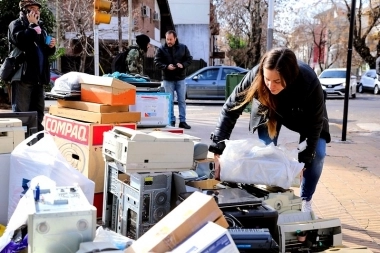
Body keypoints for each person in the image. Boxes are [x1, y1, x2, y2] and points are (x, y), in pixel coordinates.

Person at [208, 47, 331, 212]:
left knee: (318, 154)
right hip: (270, 110)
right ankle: (270, 198)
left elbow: (315, 125)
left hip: (305, 116)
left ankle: (305, 199)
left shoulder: (309, 82)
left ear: (289, 77)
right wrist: (218, 146)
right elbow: (231, 108)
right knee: (267, 152)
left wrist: (305, 160)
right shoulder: (255, 76)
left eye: (277, 81)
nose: (271, 86)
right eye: (267, 79)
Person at [8, 0, 56, 132]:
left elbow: (45, 52)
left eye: (37, 9)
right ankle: (21, 143)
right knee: (21, 114)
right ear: (24, 11)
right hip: (23, 76)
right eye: (32, 9)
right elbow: (21, 41)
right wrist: (32, 27)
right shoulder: (16, 24)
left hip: (38, 78)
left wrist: (51, 46)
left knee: (38, 113)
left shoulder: (41, 28)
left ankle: (36, 140)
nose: (36, 12)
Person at [154, 30, 193, 129]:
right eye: (167, 39)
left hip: (180, 78)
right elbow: (156, 61)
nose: (169, 41)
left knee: (182, 101)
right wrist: (166, 66)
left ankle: (182, 121)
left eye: (171, 39)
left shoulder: (183, 48)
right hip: (168, 79)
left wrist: (182, 65)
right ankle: (171, 120)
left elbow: (189, 59)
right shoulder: (161, 49)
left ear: (175, 38)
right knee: (169, 101)